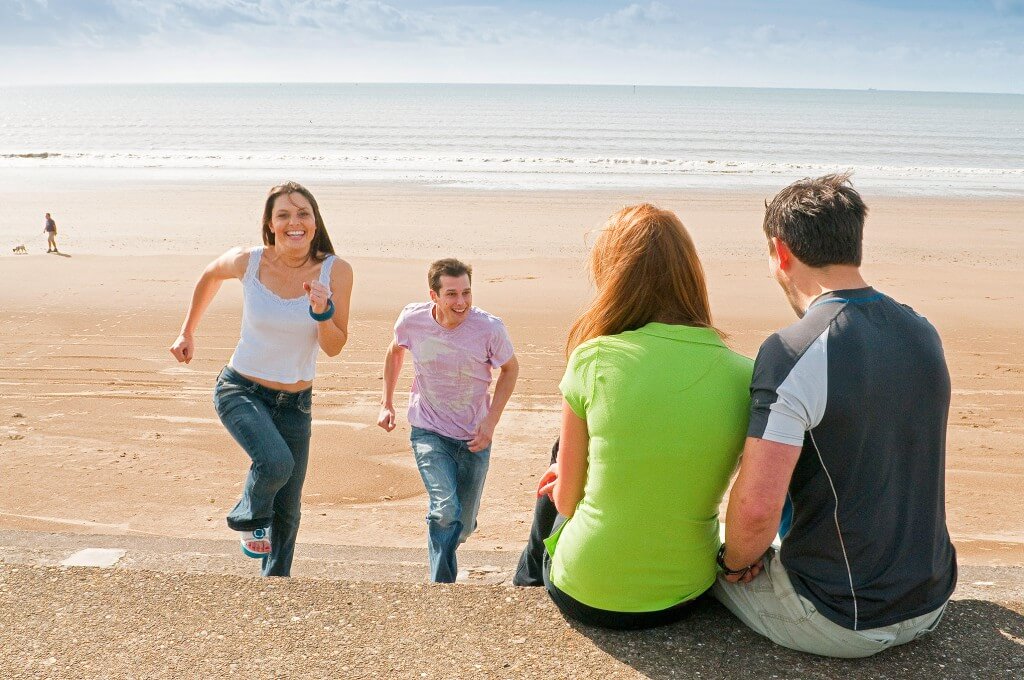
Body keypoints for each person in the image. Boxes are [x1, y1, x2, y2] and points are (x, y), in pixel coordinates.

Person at [714, 173, 956, 657]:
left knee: (694, 567)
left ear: (781, 252)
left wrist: (732, 565)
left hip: (842, 617)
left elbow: (757, 511)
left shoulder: (793, 350)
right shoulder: (922, 331)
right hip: (930, 600)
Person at [515, 204, 753, 630]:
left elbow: (567, 502)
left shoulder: (594, 358)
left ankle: (525, 585)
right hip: (685, 592)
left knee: (560, 463)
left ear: (616, 279)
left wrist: (564, 473)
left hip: (587, 590)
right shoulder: (744, 374)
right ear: (691, 276)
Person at [169, 181, 353, 577]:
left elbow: (335, 346)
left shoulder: (336, 271)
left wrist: (321, 311)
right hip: (240, 389)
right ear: (270, 224)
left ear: (315, 221)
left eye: (303, 213)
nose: (294, 223)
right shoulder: (248, 261)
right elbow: (208, 275)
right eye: (283, 215)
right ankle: (248, 516)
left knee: (289, 508)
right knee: (274, 463)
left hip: (296, 403)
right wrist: (187, 331)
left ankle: (275, 584)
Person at [377, 258, 519, 583]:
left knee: (463, 524)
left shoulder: (489, 328)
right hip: (428, 431)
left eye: (467, 293)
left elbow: (511, 369)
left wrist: (491, 422)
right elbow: (395, 351)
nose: (461, 303)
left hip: (474, 437)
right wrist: (386, 403)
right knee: (445, 510)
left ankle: (449, 541)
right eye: (452, 294)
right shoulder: (412, 320)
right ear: (434, 295)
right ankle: (442, 589)